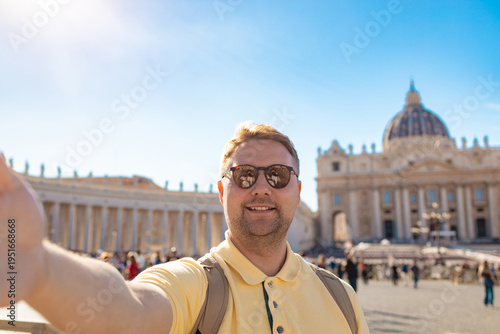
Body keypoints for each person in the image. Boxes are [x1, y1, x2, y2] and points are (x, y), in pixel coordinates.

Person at [0, 122, 369, 333]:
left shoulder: (341, 298)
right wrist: (38, 268)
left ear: (298, 191)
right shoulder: (195, 285)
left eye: (278, 175)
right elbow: (132, 313)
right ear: (222, 192)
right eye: (243, 176)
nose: (261, 187)